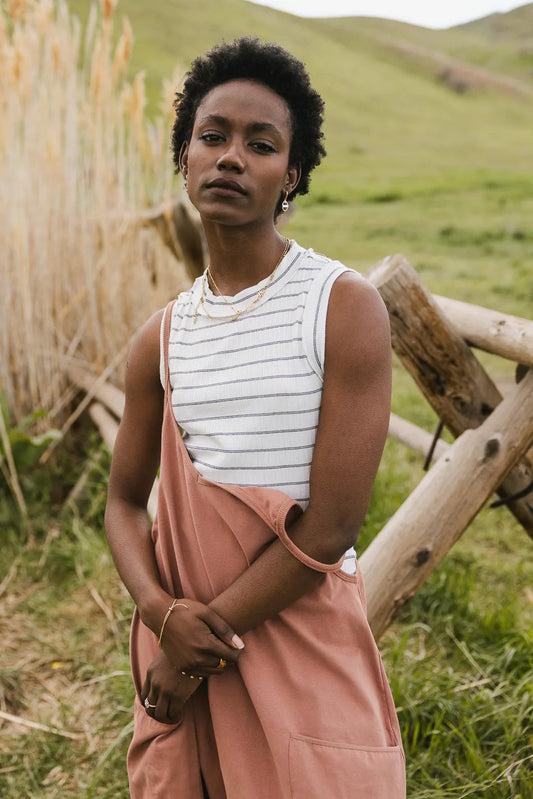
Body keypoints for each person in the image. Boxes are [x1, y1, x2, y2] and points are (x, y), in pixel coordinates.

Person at [105, 37, 406, 799]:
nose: (231, 157)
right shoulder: (161, 339)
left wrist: (195, 644)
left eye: (260, 144)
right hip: (185, 631)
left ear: (291, 176)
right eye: (212, 137)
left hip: (295, 628)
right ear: (184, 158)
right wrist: (159, 612)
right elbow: (121, 501)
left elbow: (331, 522)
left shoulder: (338, 307)